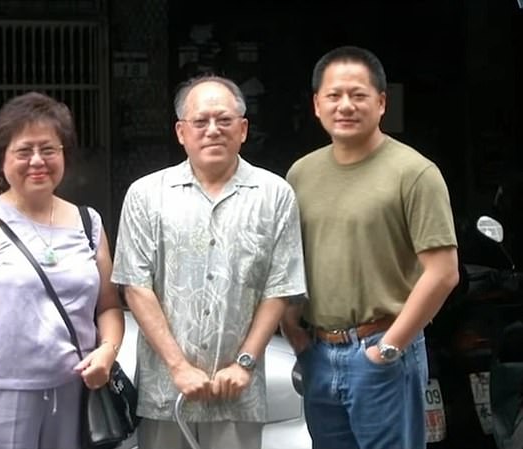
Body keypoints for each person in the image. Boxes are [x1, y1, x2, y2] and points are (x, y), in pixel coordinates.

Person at [111, 75, 307, 449]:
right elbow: (135, 287)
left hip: (238, 393)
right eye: (200, 122)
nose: (212, 130)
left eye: (224, 120)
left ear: (244, 129)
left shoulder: (274, 194)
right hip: (166, 395)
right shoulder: (147, 195)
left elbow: (280, 287)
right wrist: (178, 367)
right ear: (181, 132)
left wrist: (245, 363)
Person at [281, 45, 460, 449]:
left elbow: (444, 272)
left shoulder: (414, 173)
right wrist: (291, 327)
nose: (345, 105)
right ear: (316, 105)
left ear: (381, 103)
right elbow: (292, 258)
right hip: (319, 352)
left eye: (358, 95)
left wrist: (390, 347)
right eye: (334, 95)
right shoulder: (300, 174)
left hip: (382, 349)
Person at [0, 92, 124, 449]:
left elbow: (109, 306)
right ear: (2, 161)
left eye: (49, 150)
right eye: (24, 151)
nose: (37, 161)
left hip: (74, 393)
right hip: (0, 396)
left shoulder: (89, 223)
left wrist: (108, 350)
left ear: (64, 155)